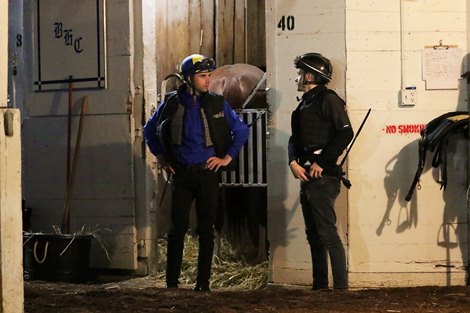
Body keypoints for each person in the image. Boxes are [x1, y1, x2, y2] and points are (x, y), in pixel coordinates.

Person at [143, 54, 249, 292]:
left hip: (207, 174)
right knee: (177, 229)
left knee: (206, 230)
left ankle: (203, 283)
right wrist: (161, 156)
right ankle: (172, 283)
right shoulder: (171, 103)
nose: (208, 80)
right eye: (203, 76)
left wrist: (226, 158)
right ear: (189, 78)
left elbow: (241, 130)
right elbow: (149, 129)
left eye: (209, 75)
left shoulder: (216, 103)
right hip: (181, 174)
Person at [287, 52, 354, 291]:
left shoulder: (329, 100)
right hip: (306, 175)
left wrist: (323, 163)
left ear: (308, 75)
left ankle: (340, 290)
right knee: (313, 234)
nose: (296, 77)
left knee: (327, 234)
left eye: (299, 73)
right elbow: (295, 139)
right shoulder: (304, 103)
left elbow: (345, 132)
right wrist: (292, 163)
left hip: (322, 178)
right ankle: (320, 286)